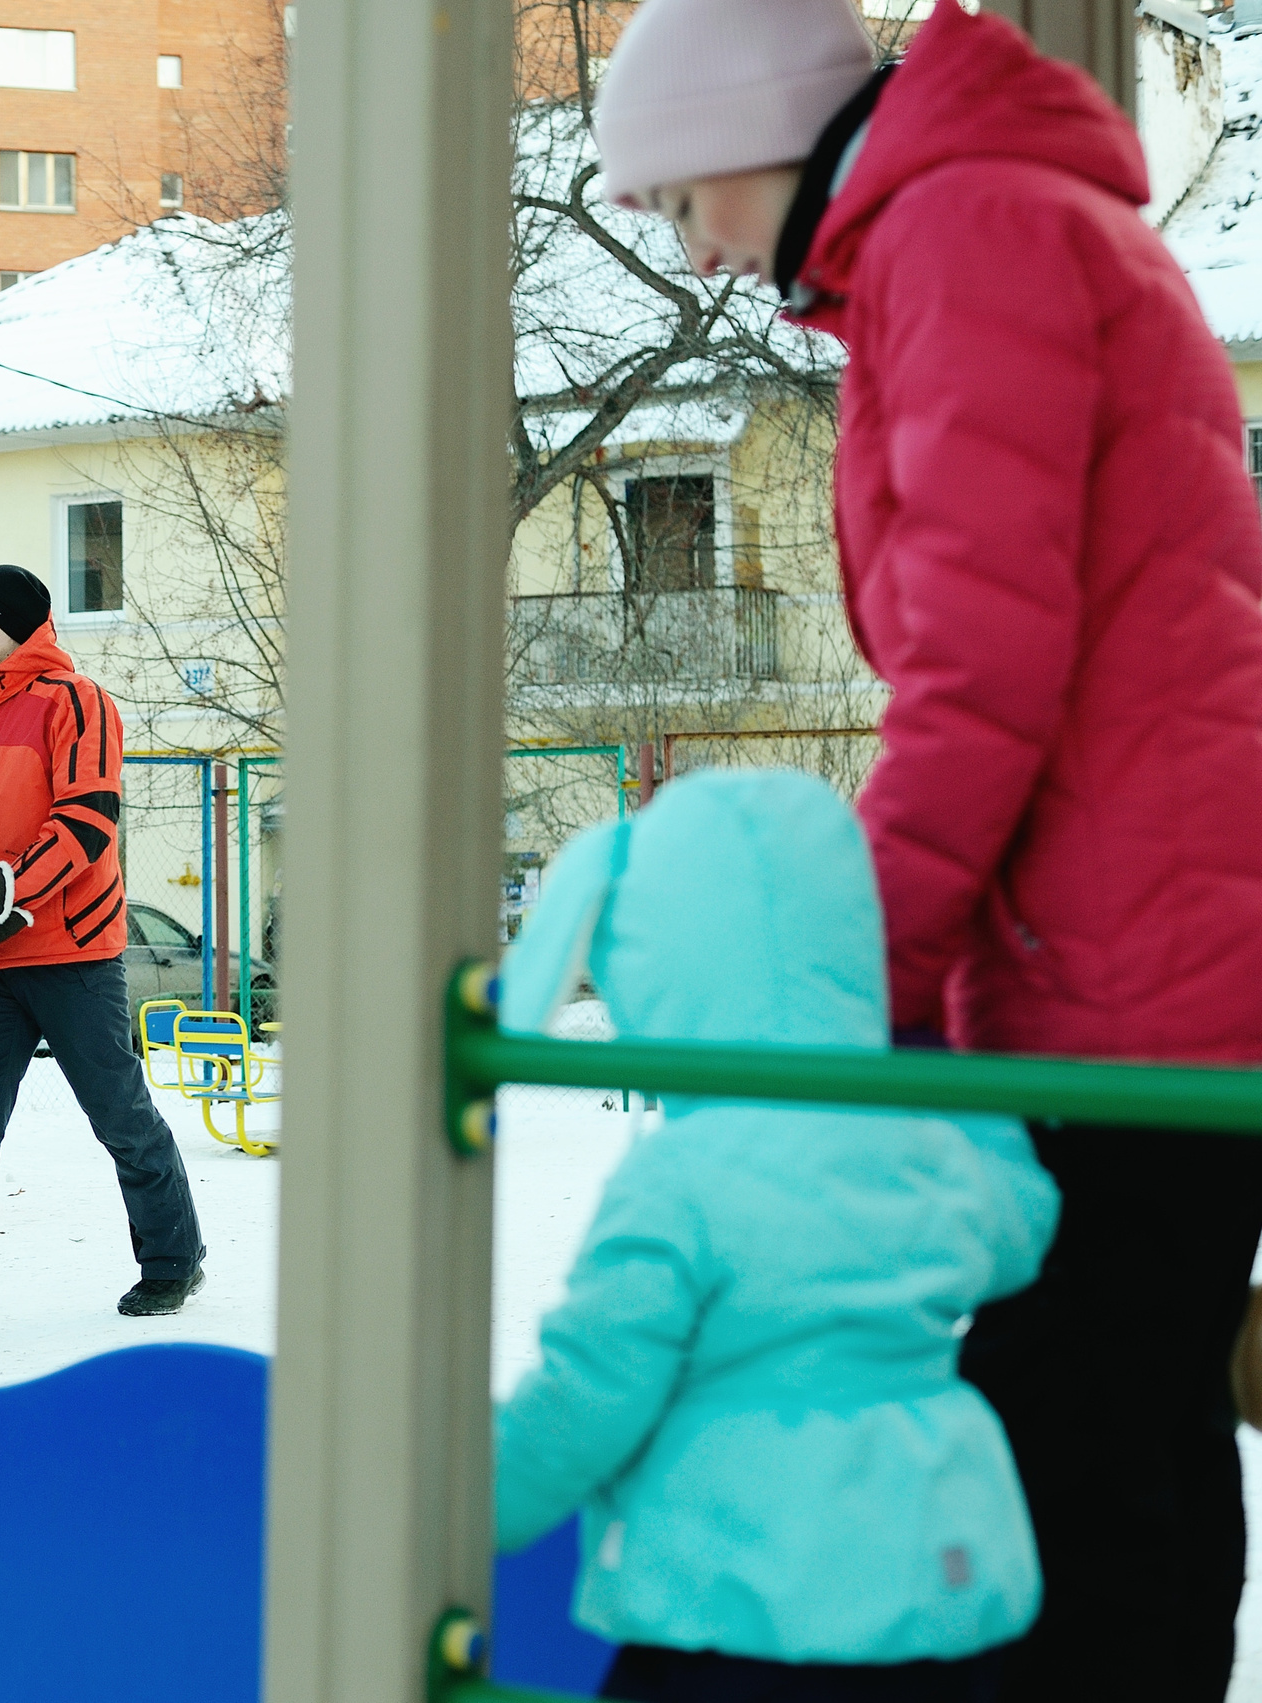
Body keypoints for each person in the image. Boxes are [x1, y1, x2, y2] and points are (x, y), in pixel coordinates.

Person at [594, 1, 1262, 1695]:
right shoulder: (970, 229)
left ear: (763, 127)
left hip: (1132, 961)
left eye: (685, 198)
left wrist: (849, 974)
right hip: (1145, 937)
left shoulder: (967, 233)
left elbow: (979, 670)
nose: (704, 244)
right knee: (1135, 1420)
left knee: (1063, 1437)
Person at [495, 770, 1059, 1703]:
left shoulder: (679, 1179)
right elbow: (1020, 1222)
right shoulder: (922, 1141)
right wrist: (965, 1084)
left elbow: (591, 1394)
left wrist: (461, 1502)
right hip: (938, 1574)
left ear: (659, 970)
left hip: (732, 1593)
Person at [0, 563, 205, 1342]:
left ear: (12, 624)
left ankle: (172, 1259)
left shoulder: (76, 704)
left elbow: (86, 823)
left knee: (119, 1113)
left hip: (70, 952)